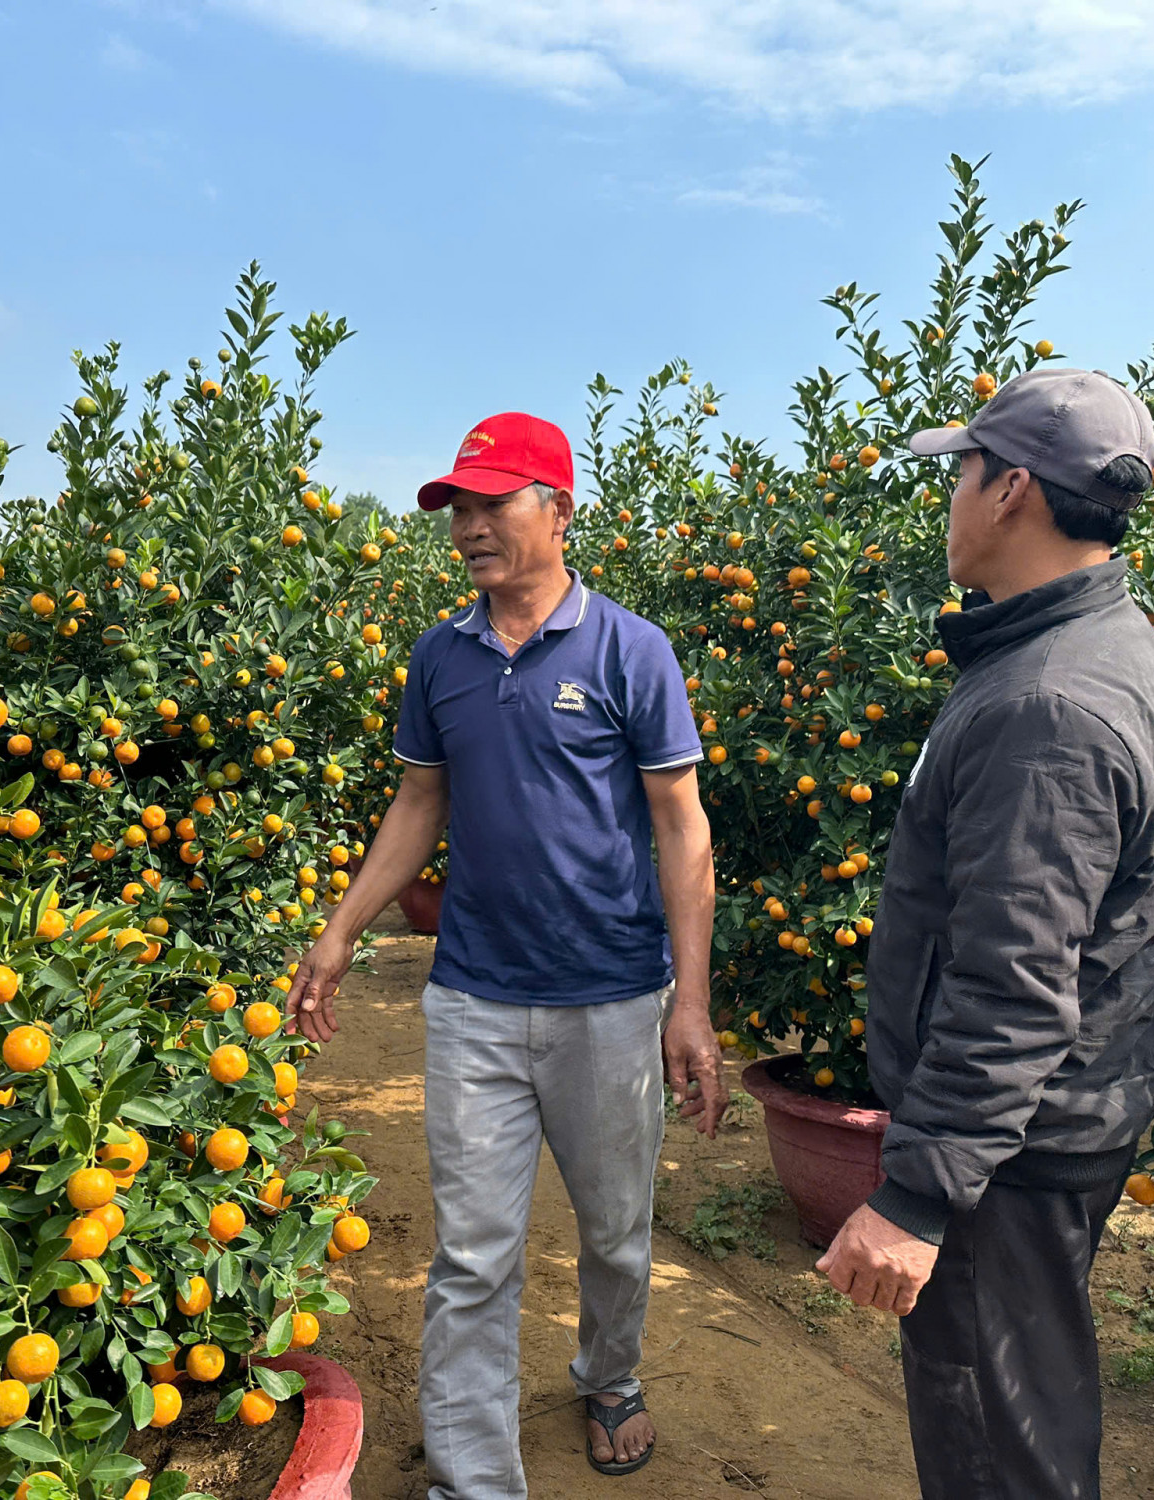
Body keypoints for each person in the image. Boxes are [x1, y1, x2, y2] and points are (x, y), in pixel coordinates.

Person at [285, 410, 725, 1497]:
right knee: (474, 1255)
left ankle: (606, 1374)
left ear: (558, 510)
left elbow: (682, 827)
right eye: (457, 509)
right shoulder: (439, 655)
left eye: (492, 504)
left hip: (611, 999)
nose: (469, 528)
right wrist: (338, 932)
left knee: (616, 1233)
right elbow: (416, 804)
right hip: (475, 998)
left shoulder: (631, 650)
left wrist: (690, 1001)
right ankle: (474, 1479)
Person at [814, 369, 1154, 1498]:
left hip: (1009, 1151)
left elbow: (1013, 983)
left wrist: (919, 1196)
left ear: (1010, 490)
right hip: (1049, 1123)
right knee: (1020, 1424)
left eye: (961, 472)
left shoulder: (1044, 704)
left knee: (998, 1455)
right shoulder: (1096, 643)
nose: (951, 498)